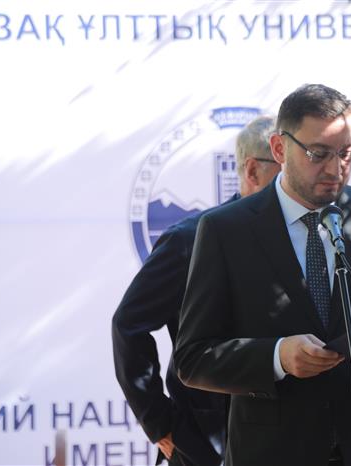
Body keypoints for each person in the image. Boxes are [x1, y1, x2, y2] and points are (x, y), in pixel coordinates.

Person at [173, 83, 351, 466]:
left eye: (346, 153)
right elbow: (192, 359)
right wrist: (277, 356)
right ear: (279, 148)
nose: (335, 169)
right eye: (318, 154)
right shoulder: (225, 231)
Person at [112, 115, 281, 465]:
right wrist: (161, 424)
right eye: (289, 168)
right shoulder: (190, 239)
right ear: (253, 171)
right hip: (208, 442)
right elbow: (128, 325)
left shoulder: (309, 237)